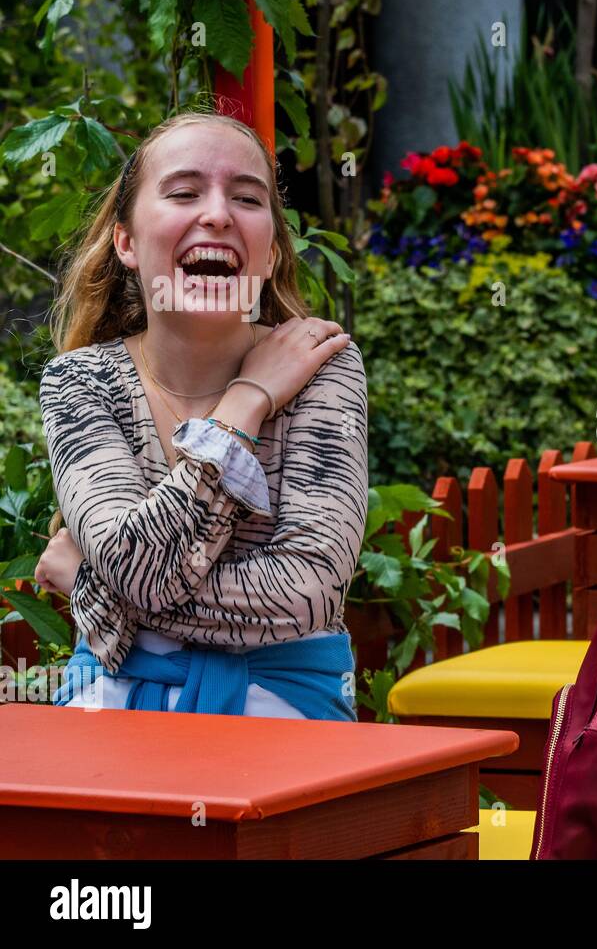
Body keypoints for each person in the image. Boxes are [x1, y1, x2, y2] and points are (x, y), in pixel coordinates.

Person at [34, 112, 367, 721]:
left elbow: (308, 594)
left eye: (247, 197)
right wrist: (248, 401)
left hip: (289, 716)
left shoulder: (325, 367)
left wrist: (92, 582)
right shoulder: (79, 382)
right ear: (127, 242)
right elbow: (141, 574)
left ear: (269, 251)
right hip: (107, 712)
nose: (217, 214)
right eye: (184, 192)